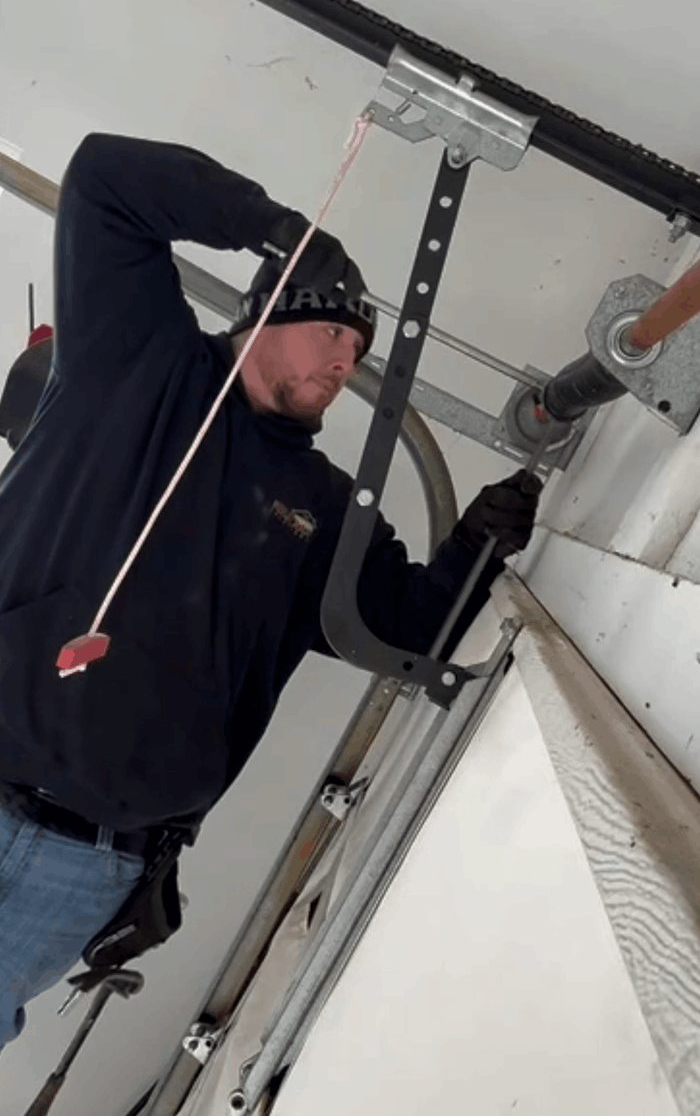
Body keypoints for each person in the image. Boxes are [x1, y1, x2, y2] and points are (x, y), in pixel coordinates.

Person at [0, 133, 541, 1051]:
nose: (346, 361)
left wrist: (483, 538)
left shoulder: (322, 506)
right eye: (333, 330)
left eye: (358, 350)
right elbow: (105, 179)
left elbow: (409, 625)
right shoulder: (138, 361)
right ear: (266, 314)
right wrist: (274, 225)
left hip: (93, 864)